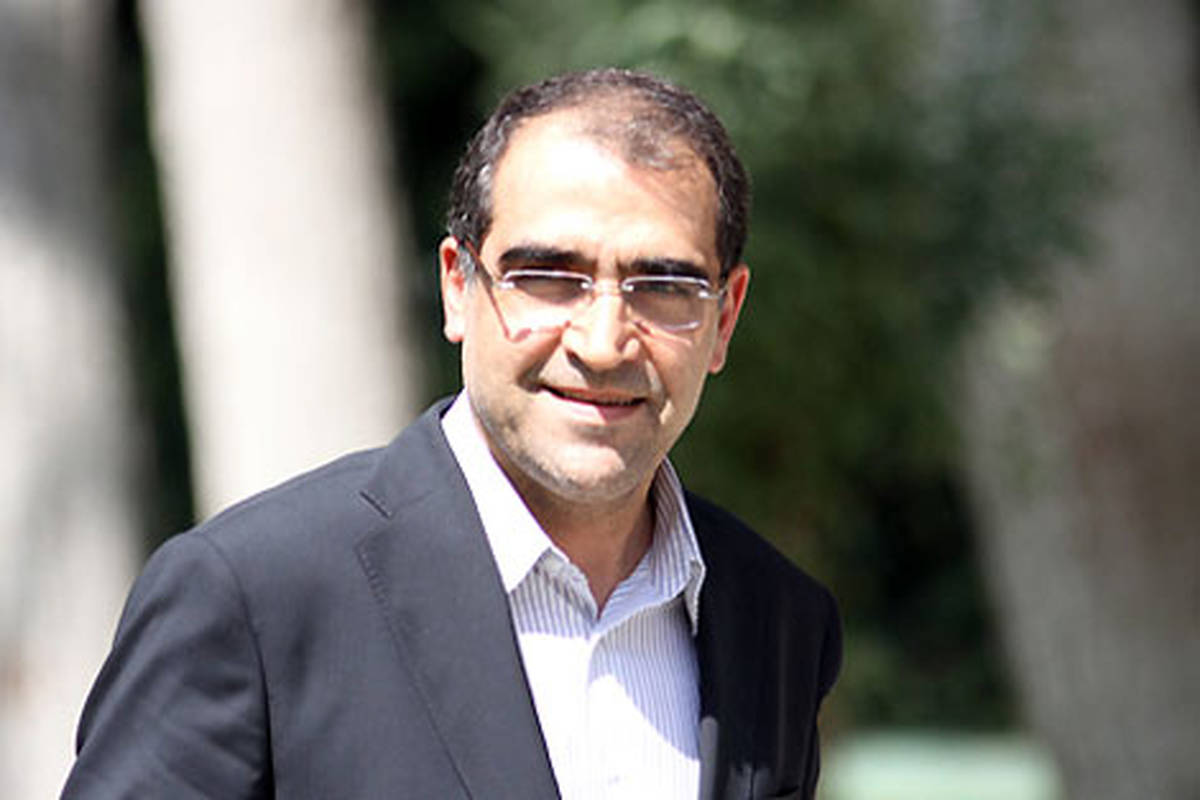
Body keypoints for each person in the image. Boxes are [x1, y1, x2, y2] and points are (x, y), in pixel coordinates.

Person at [63, 68, 841, 799]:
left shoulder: (778, 621)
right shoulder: (253, 596)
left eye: (664, 286)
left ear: (724, 319)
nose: (604, 343)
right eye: (549, 277)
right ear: (457, 288)